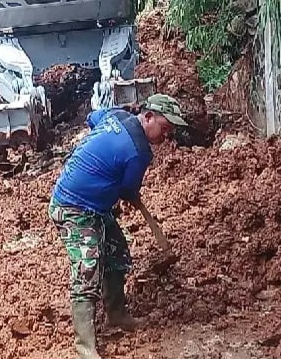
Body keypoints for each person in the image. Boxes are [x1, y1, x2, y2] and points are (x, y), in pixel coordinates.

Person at [48, 94, 188, 359]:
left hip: (96, 207)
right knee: (87, 268)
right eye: (165, 128)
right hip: (73, 208)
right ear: (148, 117)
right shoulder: (139, 152)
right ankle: (85, 347)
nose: (166, 136)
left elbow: (93, 117)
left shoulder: (116, 115)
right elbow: (127, 190)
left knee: (116, 252)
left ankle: (117, 314)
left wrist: (100, 147)